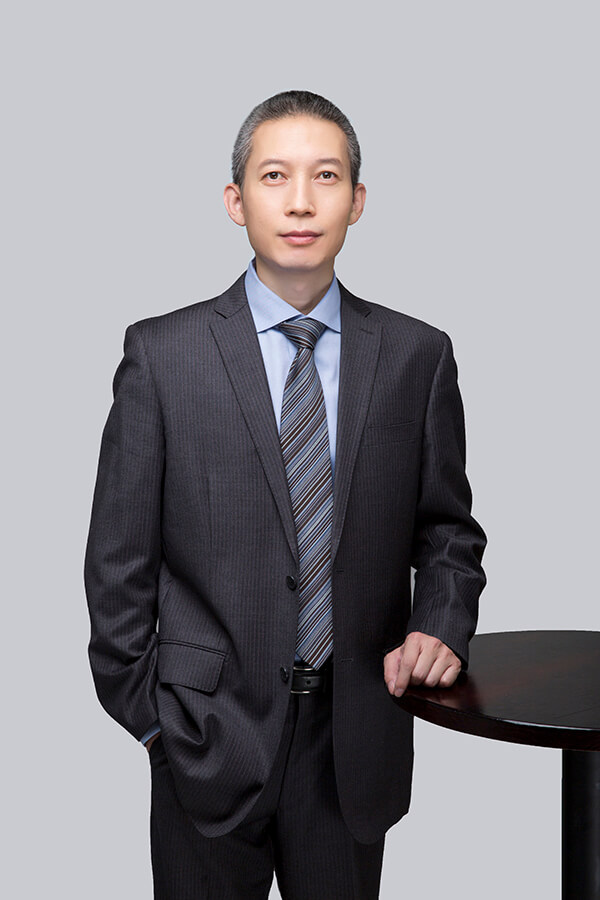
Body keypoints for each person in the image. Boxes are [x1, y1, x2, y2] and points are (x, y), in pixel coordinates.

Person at [84, 89, 486, 899]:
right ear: (236, 200)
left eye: (325, 176)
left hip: (354, 740)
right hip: (204, 737)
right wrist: (157, 725)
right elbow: (117, 563)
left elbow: (448, 532)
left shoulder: (416, 356)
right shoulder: (163, 356)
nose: (301, 201)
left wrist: (439, 625)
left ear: (357, 200)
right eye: (274, 176)